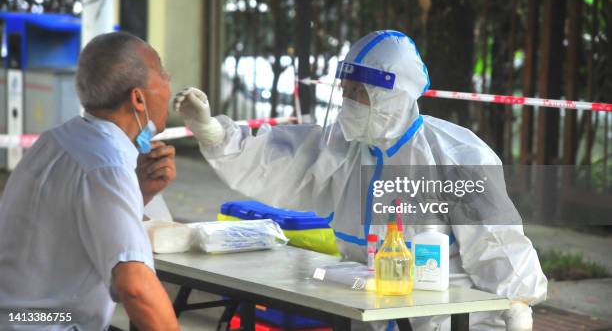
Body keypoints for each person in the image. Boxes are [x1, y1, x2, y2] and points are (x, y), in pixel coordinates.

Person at [174, 30, 547, 331]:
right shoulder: (344, 146)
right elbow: (278, 159)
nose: (348, 101)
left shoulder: (455, 157)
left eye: (361, 93)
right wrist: (211, 132)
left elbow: (498, 246)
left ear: (393, 97)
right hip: (367, 312)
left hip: (449, 321)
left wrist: (517, 305)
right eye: (346, 90)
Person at [0, 32, 180, 331]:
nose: (168, 80)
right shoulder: (107, 165)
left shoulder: (56, 140)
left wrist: (140, 191)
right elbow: (135, 287)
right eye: (161, 71)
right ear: (138, 98)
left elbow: (73, 226)